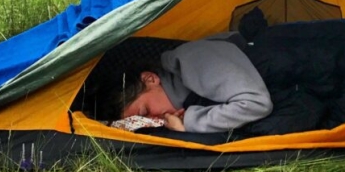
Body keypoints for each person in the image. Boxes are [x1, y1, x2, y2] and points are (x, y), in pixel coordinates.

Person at [108, 37, 273, 133]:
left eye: (145, 112)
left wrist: (189, 123)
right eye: (140, 121)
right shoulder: (184, 97)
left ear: (150, 79)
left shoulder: (191, 60)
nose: (152, 121)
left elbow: (256, 103)